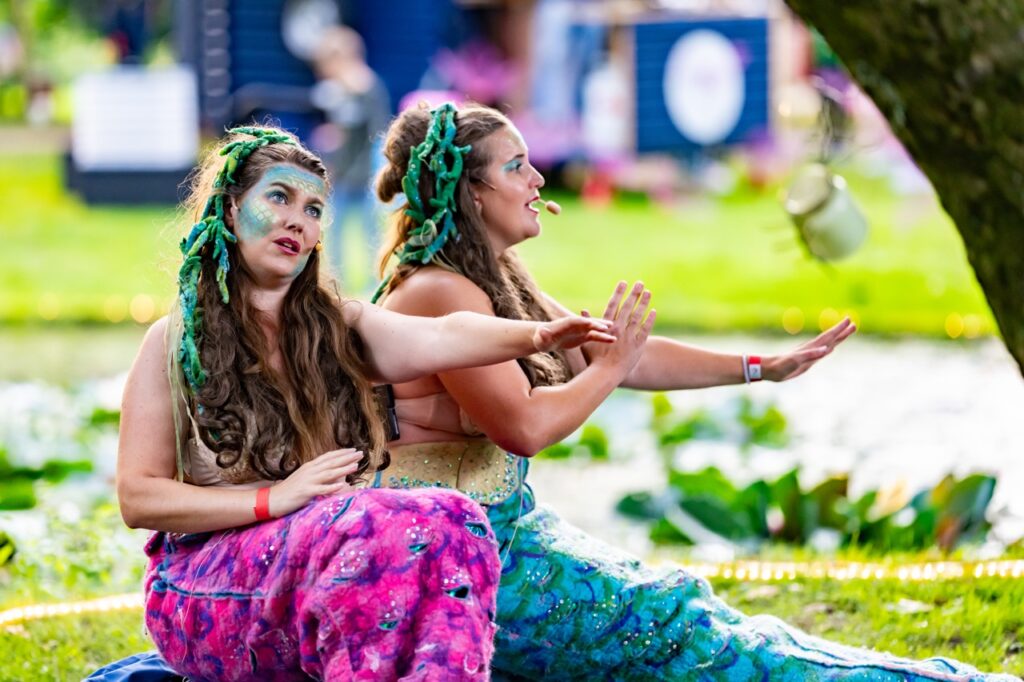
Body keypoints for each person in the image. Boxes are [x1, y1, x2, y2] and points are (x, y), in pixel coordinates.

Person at [366, 102, 1015, 681]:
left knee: (688, 618)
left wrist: (763, 366)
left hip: (507, 537)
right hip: (460, 567)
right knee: (682, 627)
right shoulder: (438, 290)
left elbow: (617, 351)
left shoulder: (490, 276)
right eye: (517, 168)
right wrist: (609, 369)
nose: (538, 181)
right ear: (469, 193)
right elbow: (526, 426)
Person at [92, 125, 615, 681]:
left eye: (314, 209)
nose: (299, 219)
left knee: (456, 517)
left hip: (317, 557)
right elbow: (138, 496)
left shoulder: (337, 325)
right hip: (203, 590)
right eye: (279, 197)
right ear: (228, 208)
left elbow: (442, 336)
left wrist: (535, 337)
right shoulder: (172, 342)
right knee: (358, 524)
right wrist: (275, 499)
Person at [310, 25, 392, 289]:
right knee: (334, 231)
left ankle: (375, 281)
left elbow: (377, 135)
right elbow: (344, 132)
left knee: (372, 233)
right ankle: (334, 280)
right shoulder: (338, 92)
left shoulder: (366, 89)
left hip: (366, 176)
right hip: (343, 175)